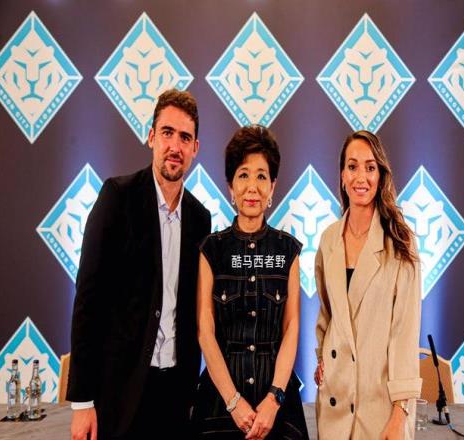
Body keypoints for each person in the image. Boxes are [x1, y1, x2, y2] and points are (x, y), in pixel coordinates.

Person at [67, 89, 211, 439]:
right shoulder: (117, 197)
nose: (175, 146)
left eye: (185, 137)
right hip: (121, 393)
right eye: (167, 133)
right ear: (151, 137)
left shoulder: (200, 218)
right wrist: (82, 401)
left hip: (176, 394)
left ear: (195, 148)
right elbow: (88, 300)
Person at [191, 125, 309, 439]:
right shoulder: (211, 250)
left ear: (273, 187)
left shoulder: (288, 250)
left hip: (277, 404)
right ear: (230, 187)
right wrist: (234, 402)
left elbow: (291, 327)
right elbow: (205, 330)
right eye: (243, 175)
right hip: (219, 403)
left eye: (261, 176)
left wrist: (274, 398)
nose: (252, 187)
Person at [314, 130, 422, 439]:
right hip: (334, 403)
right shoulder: (329, 239)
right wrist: (322, 359)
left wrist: (400, 412)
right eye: (352, 166)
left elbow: (404, 334)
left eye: (370, 167)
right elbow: (327, 314)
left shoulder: (400, 242)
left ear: (380, 175)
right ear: (342, 175)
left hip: (381, 410)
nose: (361, 177)